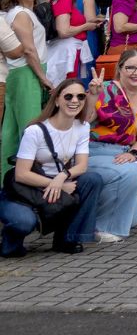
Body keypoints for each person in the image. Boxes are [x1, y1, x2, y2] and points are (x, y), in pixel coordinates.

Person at [0, 79, 102, 257]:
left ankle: (67, 238)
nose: (74, 101)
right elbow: (21, 174)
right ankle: (10, 240)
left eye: (80, 97)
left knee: (92, 180)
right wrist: (57, 184)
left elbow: (82, 165)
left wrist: (62, 177)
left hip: (57, 183)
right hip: (27, 189)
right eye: (68, 96)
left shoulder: (82, 127)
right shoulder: (35, 131)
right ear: (56, 100)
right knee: (23, 224)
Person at [84, 50, 137, 242]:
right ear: (120, 69)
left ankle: (87, 216)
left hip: (125, 154)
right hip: (95, 151)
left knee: (134, 218)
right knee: (133, 172)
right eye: (131, 67)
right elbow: (84, 121)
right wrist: (92, 95)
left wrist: (134, 152)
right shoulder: (105, 89)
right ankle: (102, 230)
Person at [2, 0, 51, 164]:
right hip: (26, 73)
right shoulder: (21, 14)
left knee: (12, 129)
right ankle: (26, 177)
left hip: (19, 73)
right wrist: (43, 77)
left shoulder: (21, 12)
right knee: (29, 126)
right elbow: (29, 50)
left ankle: (8, 178)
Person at [44, 0, 99, 86]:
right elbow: (63, 31)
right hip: (66, 53)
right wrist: (86, 26)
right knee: (67, 89)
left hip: (65, 51)